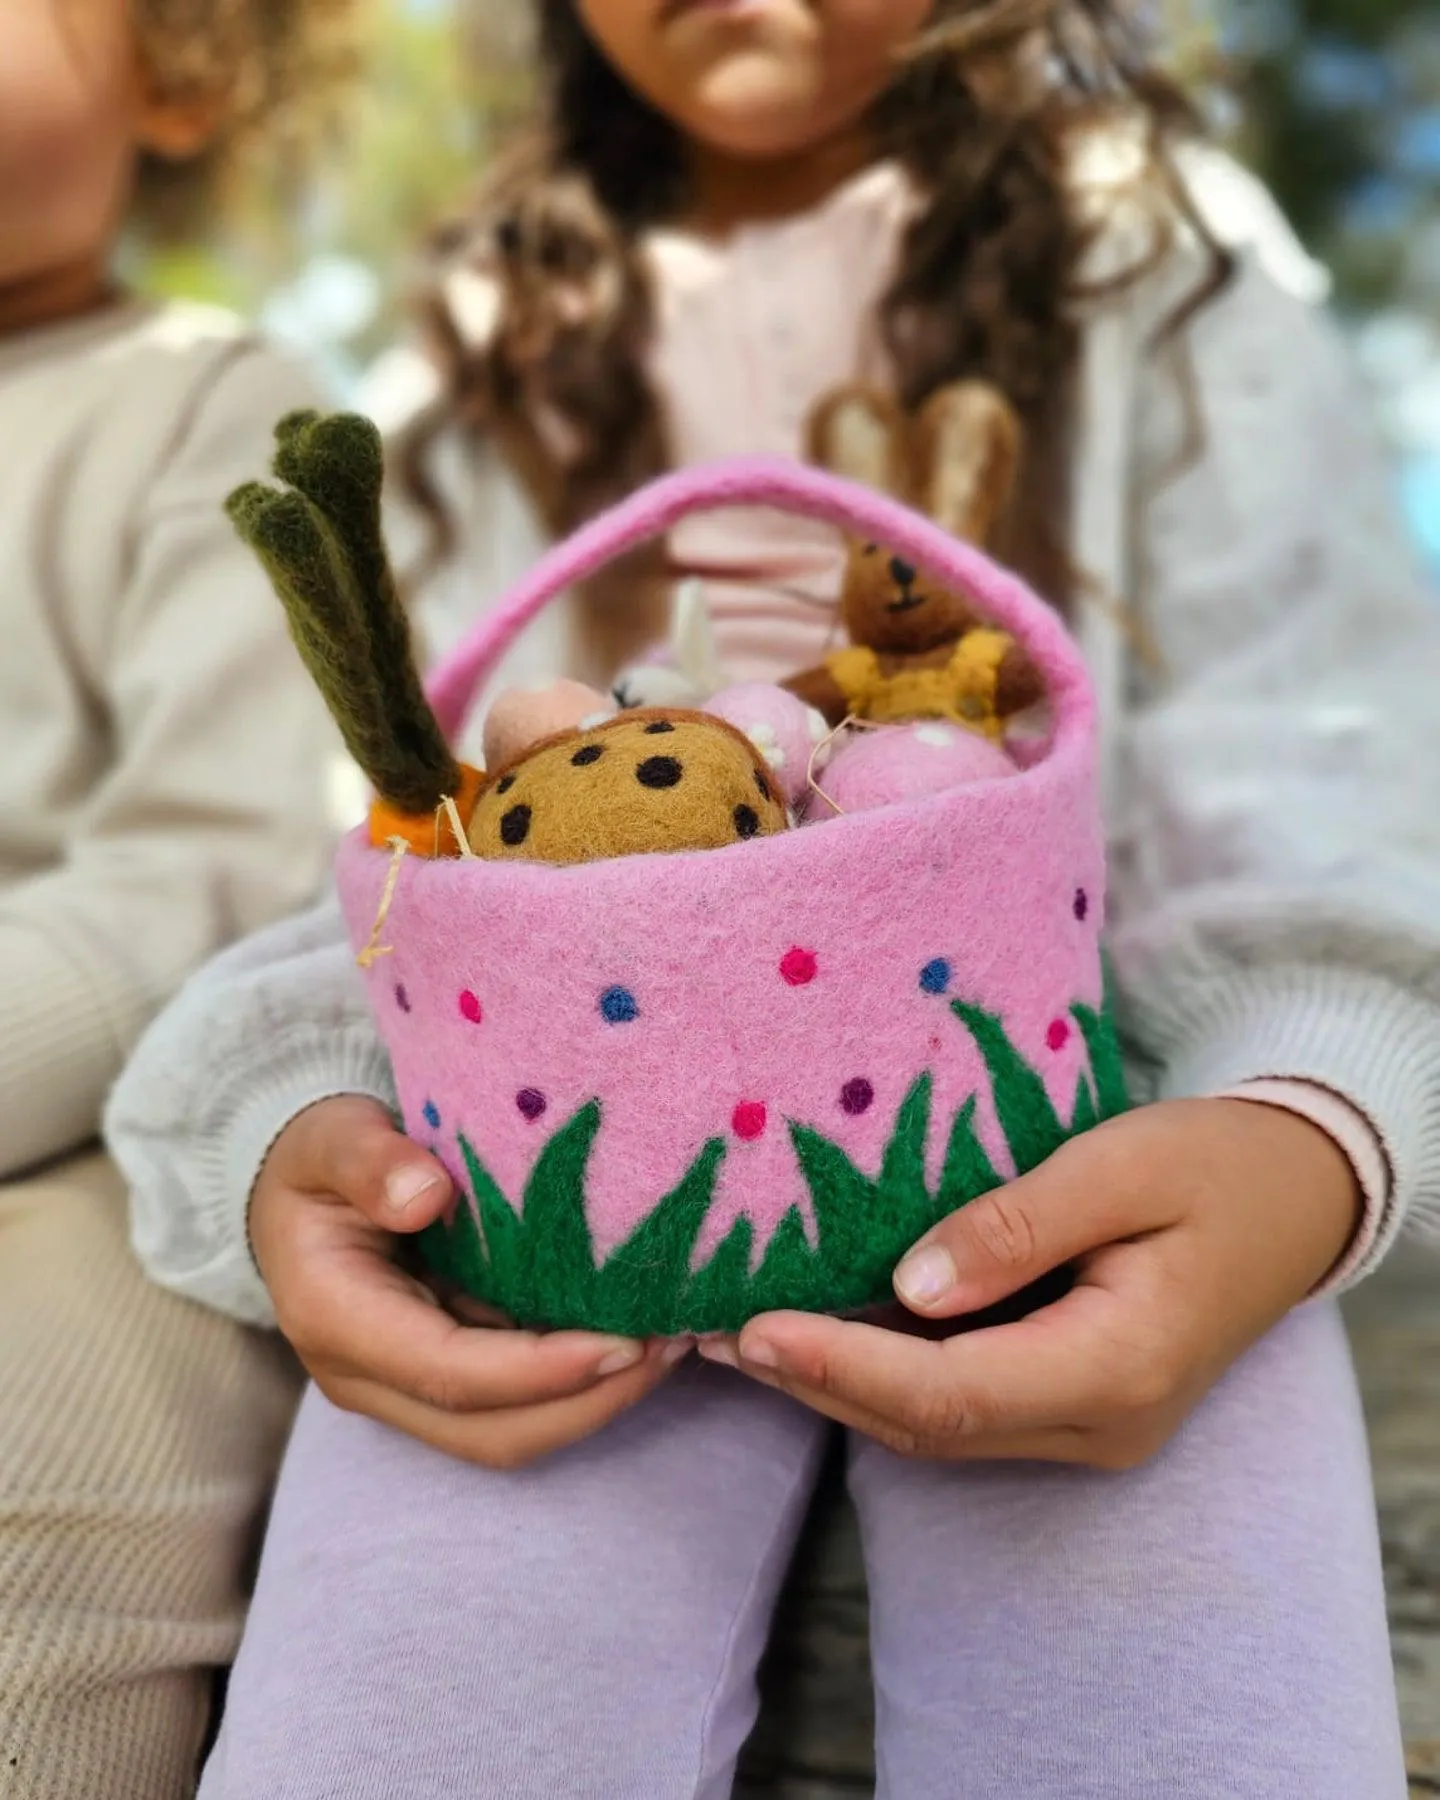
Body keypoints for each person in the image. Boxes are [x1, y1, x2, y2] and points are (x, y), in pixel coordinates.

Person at [108, 2, 1440, 1795]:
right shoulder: (468, 362)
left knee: (1175, 1678)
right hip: (541, 1181)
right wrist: (284, 1121)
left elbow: (1331, 760)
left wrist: (1306, 1128)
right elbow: (359, 856)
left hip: (1074, 1142)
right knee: (418, 1699)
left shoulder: (1158, 265)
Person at [0, 3, 357, 1795]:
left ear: (182, 65)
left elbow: (211, 866)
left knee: (33, 1488)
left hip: (111, 1130)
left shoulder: (218, 404)